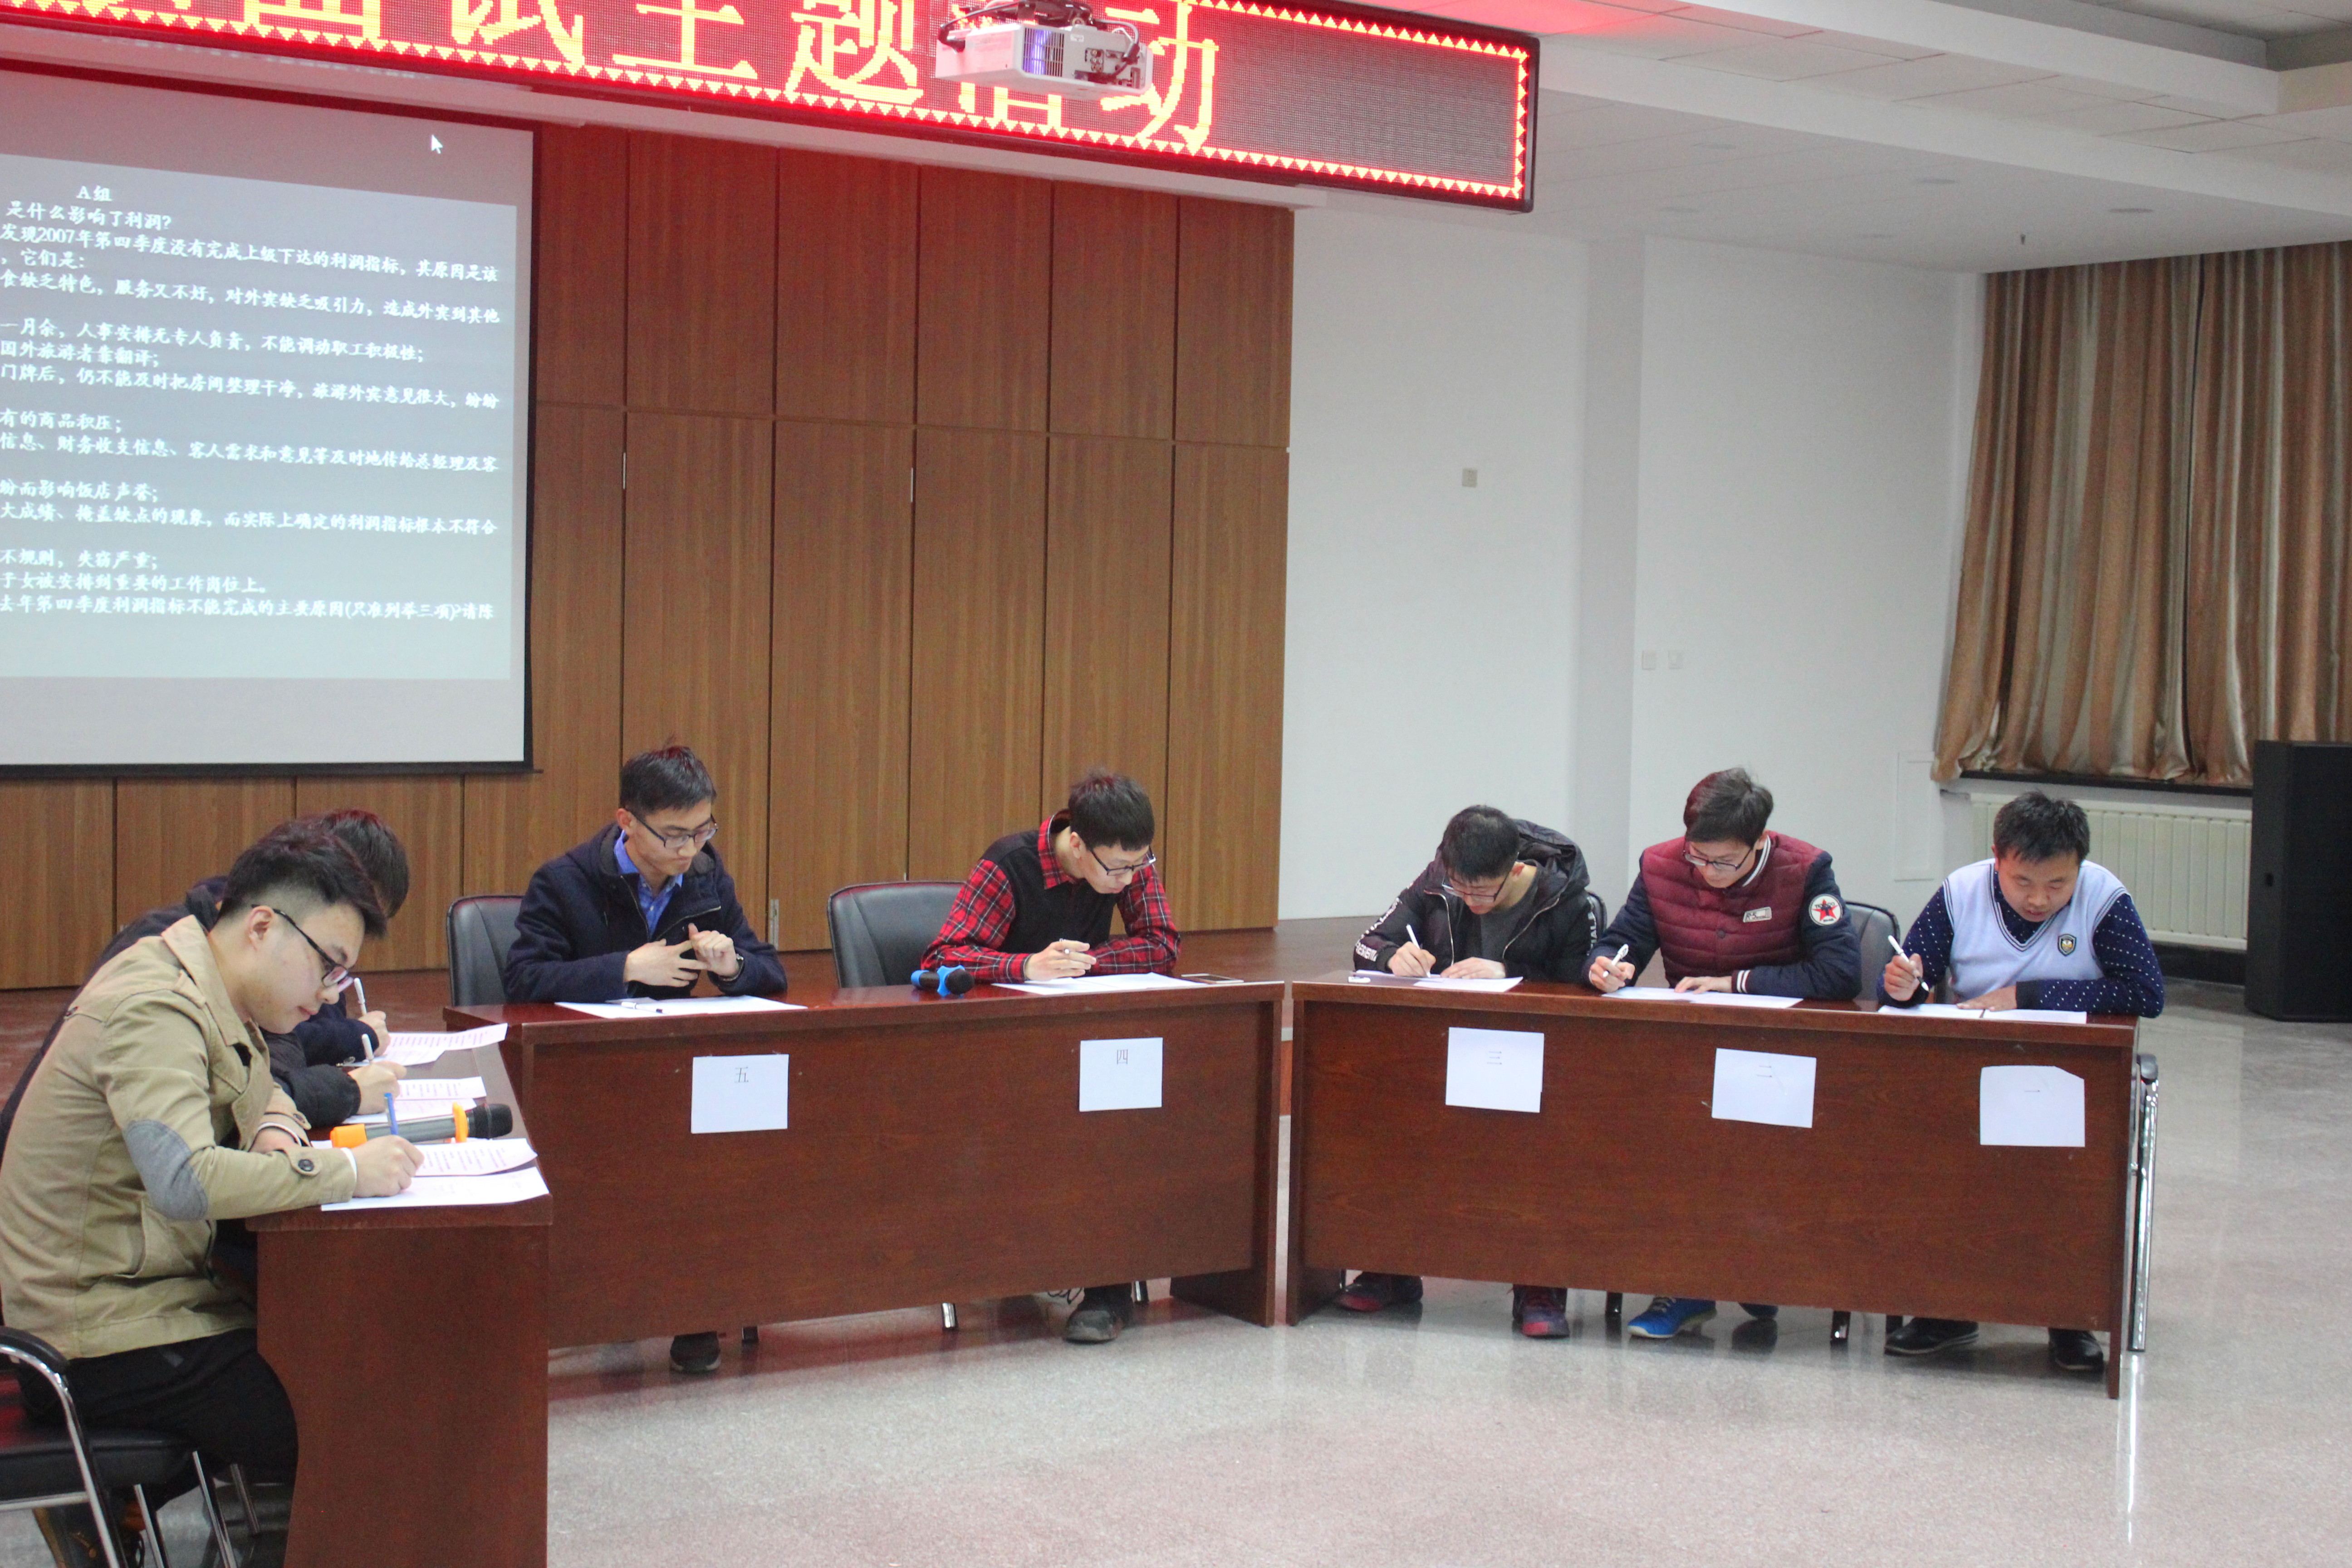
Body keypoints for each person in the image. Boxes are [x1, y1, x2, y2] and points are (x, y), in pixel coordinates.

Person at [0, 822, 422, 1568]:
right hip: (95, 1336)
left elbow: (266, 1096)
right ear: (262, 926)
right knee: (348, 1423)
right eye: (328, 966)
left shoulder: (216, 988)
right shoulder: (155, 1004)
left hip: (150, 1305)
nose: (330, 995)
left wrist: (277, 1129)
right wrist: (350, 1172)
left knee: (341, 1363)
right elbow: (184, 1179)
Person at [504, 744, 785, 1374]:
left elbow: (770, 970)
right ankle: (599, 1303)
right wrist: (627, 967)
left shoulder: (707, 877)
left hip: (672, 1071)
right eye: (674, 835)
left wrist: (732, 966)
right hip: (587, 1075)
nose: (689, 849)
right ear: (627, 822)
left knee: (719, 1157)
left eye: (703, 831)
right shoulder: (565, 881)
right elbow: (523, 979)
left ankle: (695, 1309)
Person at [1877, 789, 2165, 1375]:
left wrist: (2028, 996)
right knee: (1941, 1179)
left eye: (2058, 884)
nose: (2039, 899)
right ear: (1997, 859)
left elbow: (2145, 992)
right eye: (2023, 882)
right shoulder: (1961, 891)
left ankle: (2069, 1318)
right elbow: (1911, 980)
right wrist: (1903, 987)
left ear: (2079, 867)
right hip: (1970, 1067)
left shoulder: (2104, 897)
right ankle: (1947, 1310)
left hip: (2069, 1075)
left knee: (2067, 1187)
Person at [1582, 768, 1860, 1342]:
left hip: (1778, 1053)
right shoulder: (1660, 865)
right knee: (1660, 1139)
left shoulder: (1807, 869)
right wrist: (1603, 966)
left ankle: (1752, 1266)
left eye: (1724, 862)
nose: (1708, 873)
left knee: (1743, 1151)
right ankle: (1690, 1287)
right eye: (1698, 857)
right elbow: (1619, 941)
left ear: (1760, 842)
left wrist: (1739, 984)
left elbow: (1840, 973)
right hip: (1691, 1050)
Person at [921, 769, 1178, 1343]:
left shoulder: (1125, 860)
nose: (1129, 879)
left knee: (1123, 1127)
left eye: (1139, 865)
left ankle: (1107, 1289)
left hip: (1088, 1041)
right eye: (1117, 869)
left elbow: (1162, 943)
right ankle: (1029, 1257)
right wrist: (1026, 966)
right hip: (1003, 1050)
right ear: (1078, 845)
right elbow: (943, 956)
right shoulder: (1010, 865)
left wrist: (1087, 962)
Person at [1342, 806, 1595, 1338]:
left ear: (1516, 868)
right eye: (1462, 890)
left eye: (1485, 892)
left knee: (1540, 1150)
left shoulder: (1565, 899)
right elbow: (1367, 942)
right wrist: (1391, 957)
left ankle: (1539, 1282)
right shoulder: (1438, 880)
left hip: (1534, 1059)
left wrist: (1511, 972)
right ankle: (1392, 1265)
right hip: (1443, 1048)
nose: (1472, 902)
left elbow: (1582, 985)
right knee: (1389, 1124)